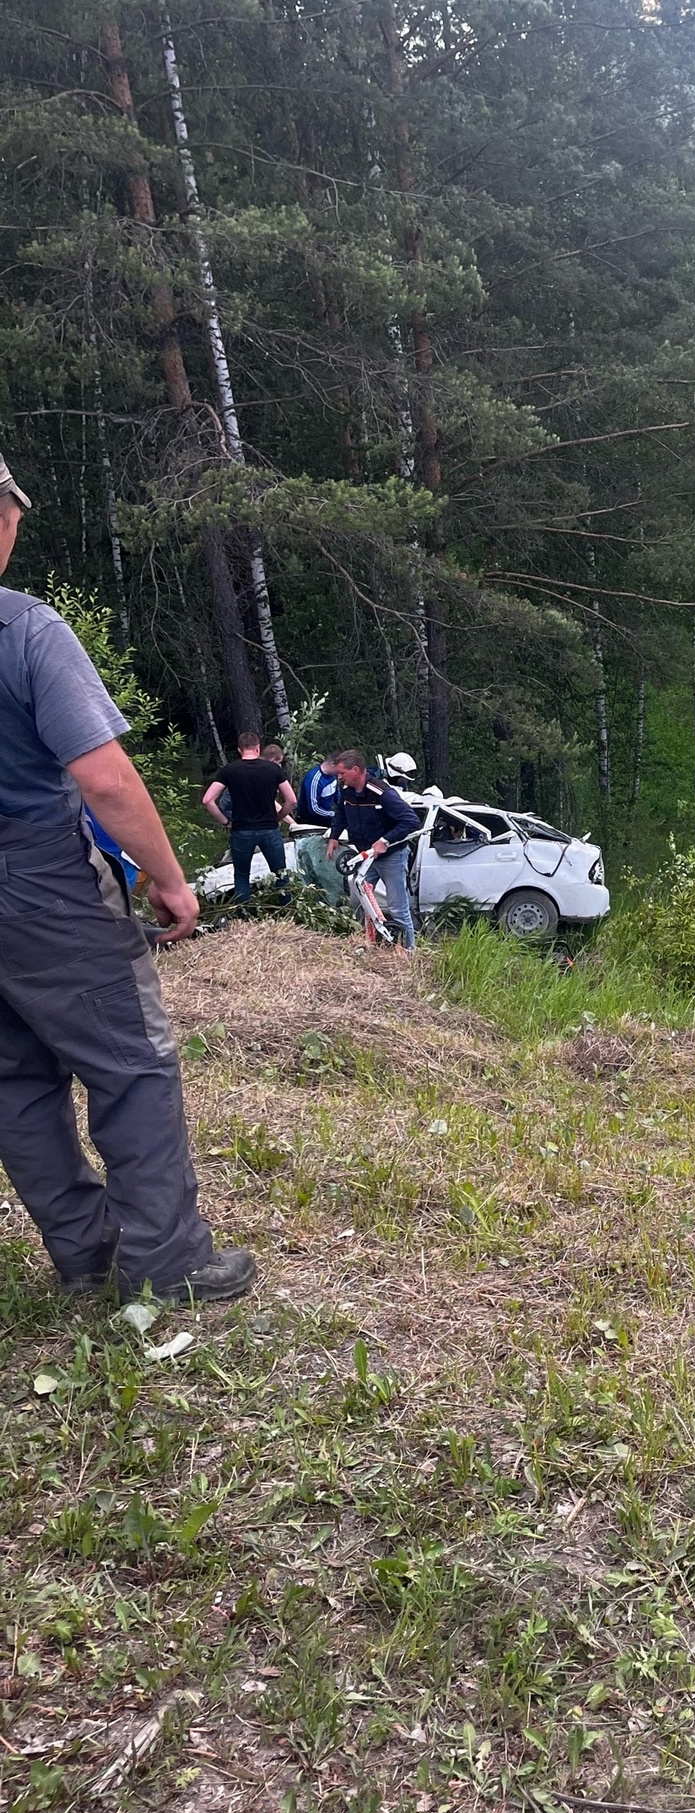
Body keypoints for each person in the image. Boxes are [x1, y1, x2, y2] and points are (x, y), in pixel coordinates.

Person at [0, 450, 254, 1305]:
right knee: (131, 1065)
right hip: (36, 878)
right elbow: (104, 778)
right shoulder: (25, 630)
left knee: (13, 1078)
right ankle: (168, 1261)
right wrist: (169, 878)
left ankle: (85, 1254)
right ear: (3, 515)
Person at [326, 748, 420, 949]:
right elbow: (341, 813)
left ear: (356, 770)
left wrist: (385, 841)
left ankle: (409, 953)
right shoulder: (346, 792)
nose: (339, 777)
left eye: (342, 773)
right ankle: (370, 944)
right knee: (360, 901)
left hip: (391, 856)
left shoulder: (382, 792)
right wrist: (334, 836)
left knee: (398, 908)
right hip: (366, 857)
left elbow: (411, 821)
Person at [204, 732, 297, 902]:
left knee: (241, 876)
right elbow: (291, 800)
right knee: (281, 874)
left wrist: (226, 821)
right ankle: (286, 912)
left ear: (240, 750)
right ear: (258, 748)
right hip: (269, 829)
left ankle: (243, 916)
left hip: (242, 831)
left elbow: (208, 800)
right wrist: (278, 818)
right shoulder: (273, 769)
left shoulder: (229, 770)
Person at [297, 750, 341, 832]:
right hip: (310, 821)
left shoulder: (333, 776)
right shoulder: (314, 779)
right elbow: (313, 809)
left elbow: (337, 796)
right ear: (333, 764)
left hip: (326, 817)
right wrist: (334, 814)